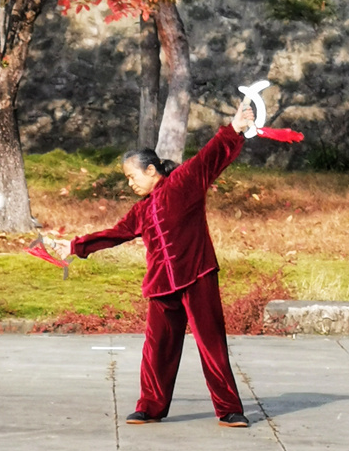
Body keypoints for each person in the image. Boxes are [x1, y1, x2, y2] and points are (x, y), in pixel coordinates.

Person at [69, 100, 254, 427]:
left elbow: (210, 157)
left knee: (212, 346)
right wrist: (75, 247)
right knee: (157, 350)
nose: (130, 184)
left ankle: (229, 409)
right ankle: (150, 407)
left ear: (151, 169)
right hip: (161, 286)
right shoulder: (140, 211)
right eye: (126, 179)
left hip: (198, 276)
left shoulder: (184, 183)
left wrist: (234, 128)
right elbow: (115, 233)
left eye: (131, 176)